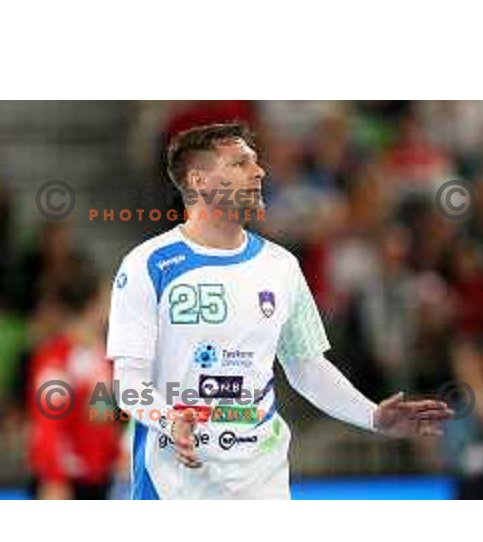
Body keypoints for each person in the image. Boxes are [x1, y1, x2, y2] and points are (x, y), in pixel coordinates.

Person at [107, 122, 452, 500]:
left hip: (262, 481)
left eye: (255, 162)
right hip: (174, 483)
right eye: (240, 164)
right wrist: (169, 421)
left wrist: (372, 416)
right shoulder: (147, 265)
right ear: (200, 180)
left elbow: (307, 367)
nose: (259, 172)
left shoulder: (281, 265)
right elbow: (128, 384)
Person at [28, 271, 121, 500]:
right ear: (93, 306)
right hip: (65, 482)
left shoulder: (103, 357)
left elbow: (102, 415)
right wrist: (54, 479)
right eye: (108, 302)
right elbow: (48, 423)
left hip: (99, 478)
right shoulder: (57, 359)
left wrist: (116, 455)